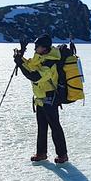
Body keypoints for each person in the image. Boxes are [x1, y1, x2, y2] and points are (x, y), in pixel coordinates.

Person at [14, 34, 69, 164]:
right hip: (40, 98)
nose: (34, 49)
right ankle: (41, 153)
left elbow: (34, 76)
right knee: (42, 127)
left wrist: (20, 65)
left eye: (37, 46)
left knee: (55, 127)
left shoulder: (51, 62)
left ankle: (62, 155)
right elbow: (31, 66)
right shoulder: (41, 57)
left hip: (50, 98)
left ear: (44, 48)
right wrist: (20, 58)